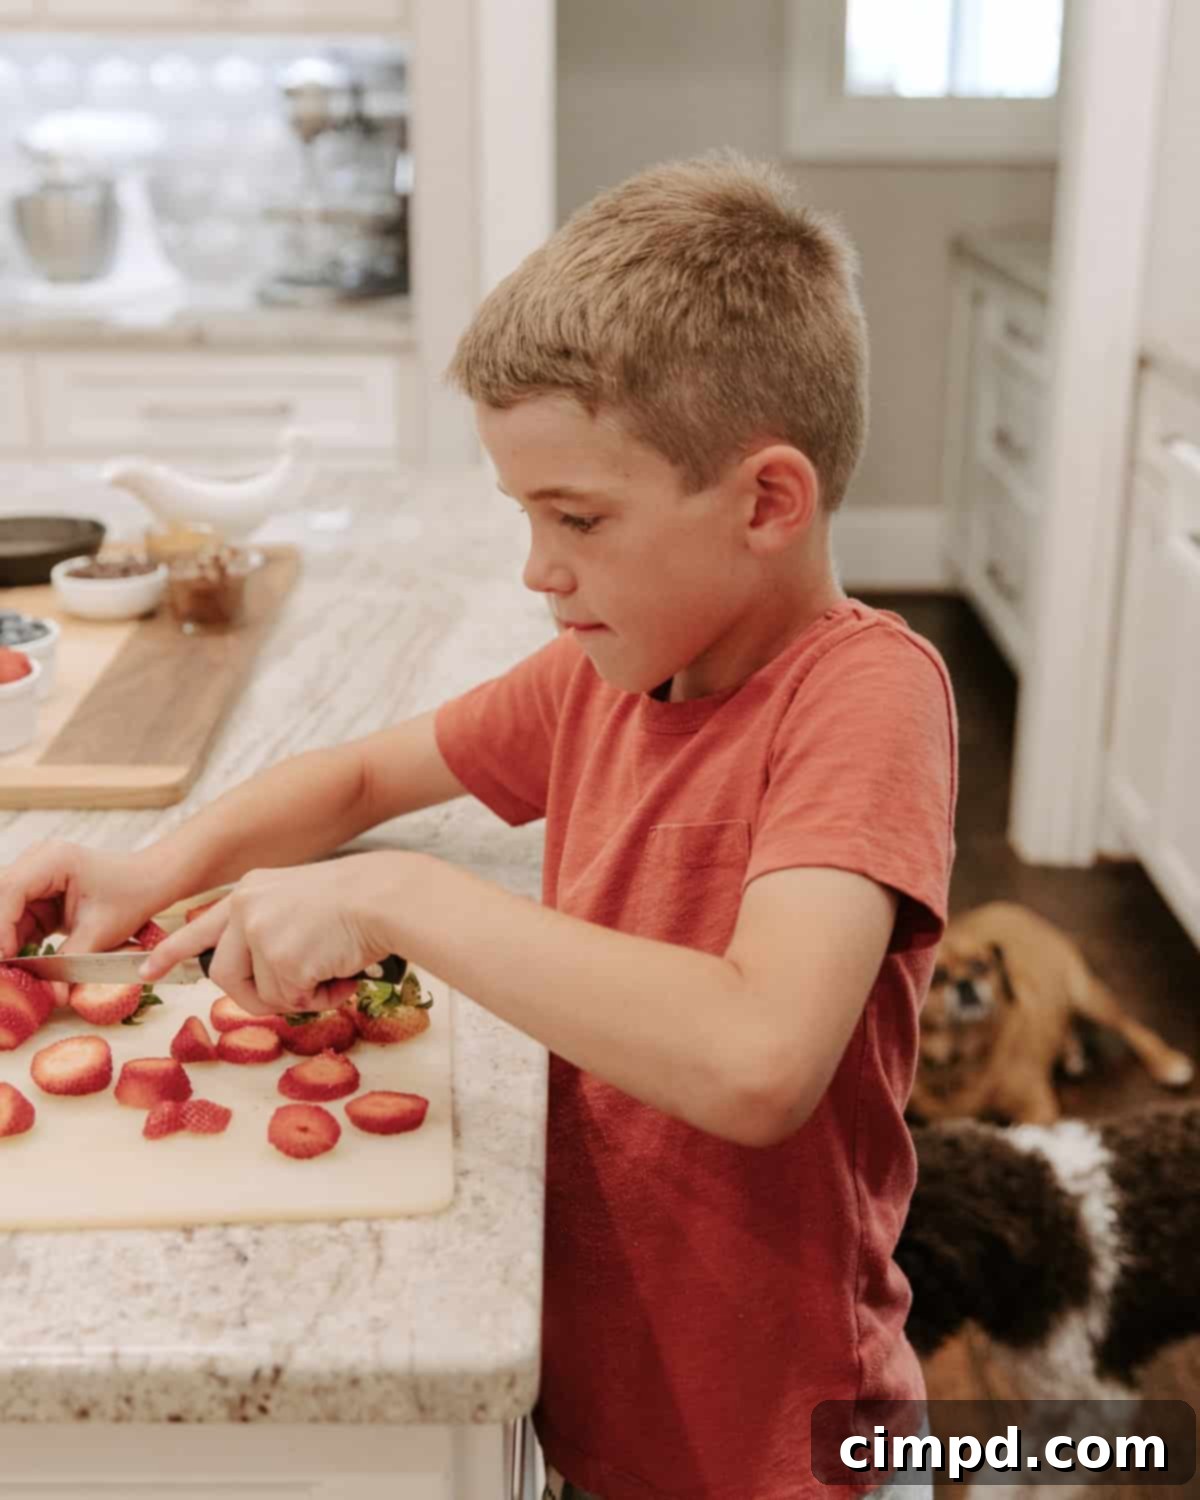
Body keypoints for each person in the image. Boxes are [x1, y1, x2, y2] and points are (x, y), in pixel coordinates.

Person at [0, 150, 957, 1499]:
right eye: (526, 513)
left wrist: (401, 902)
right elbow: (354, 780)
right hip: (592, 1402)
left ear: (766, 501)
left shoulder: (864, 698)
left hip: (784, 1448)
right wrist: (150, 867)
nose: (538, 568)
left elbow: (760, 1057)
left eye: (578, 517)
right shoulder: (610, 669)